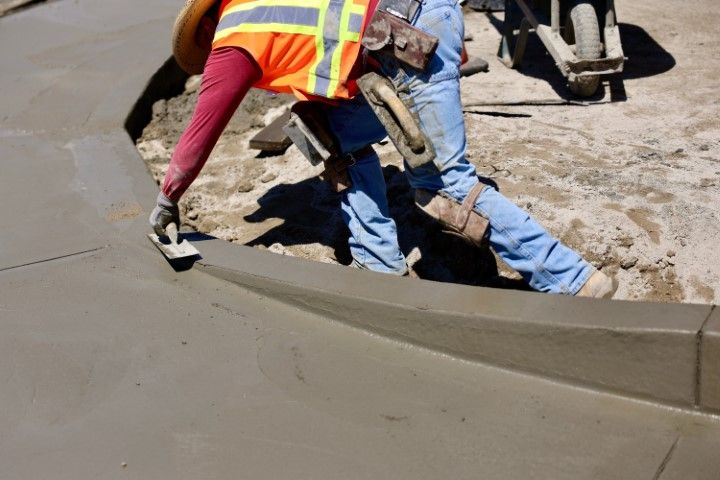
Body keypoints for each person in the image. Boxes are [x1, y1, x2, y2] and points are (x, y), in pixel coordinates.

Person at [150, 0, 617, 298]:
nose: (208, 54)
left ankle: (573, 279)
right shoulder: (270, 7)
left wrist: (168, 197)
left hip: (409, 45)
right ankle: (379, 264)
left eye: (203, 44)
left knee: (445, 188)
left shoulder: (232, 40)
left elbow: (201, 131)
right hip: (414, 25)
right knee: (330, 133)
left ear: (208, 24)